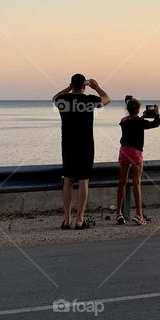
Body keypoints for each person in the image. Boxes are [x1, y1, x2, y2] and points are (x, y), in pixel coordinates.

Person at [52, 74, 111, 230]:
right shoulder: (89, 100)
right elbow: (107, 98)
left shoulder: (63, 100)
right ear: (84, 86)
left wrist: (69, 88)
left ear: (72, 85)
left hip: (68, 145)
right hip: (85, 145)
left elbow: (55, 97)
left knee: (68, 180)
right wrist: (96, 86)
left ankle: (66, 220)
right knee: (84, 180)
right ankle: (79, 220)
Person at [115, 96, 160, 225]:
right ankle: (139, 215)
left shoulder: (124, 121)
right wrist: (156, 114)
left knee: (122, 182)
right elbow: (155, 124)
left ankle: (118, 212)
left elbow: (132, 122)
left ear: (128, 109)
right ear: (139, 109)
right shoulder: (141, 122)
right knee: (136, 183)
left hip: (124, 151)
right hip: (135, 153)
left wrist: (141, 116)